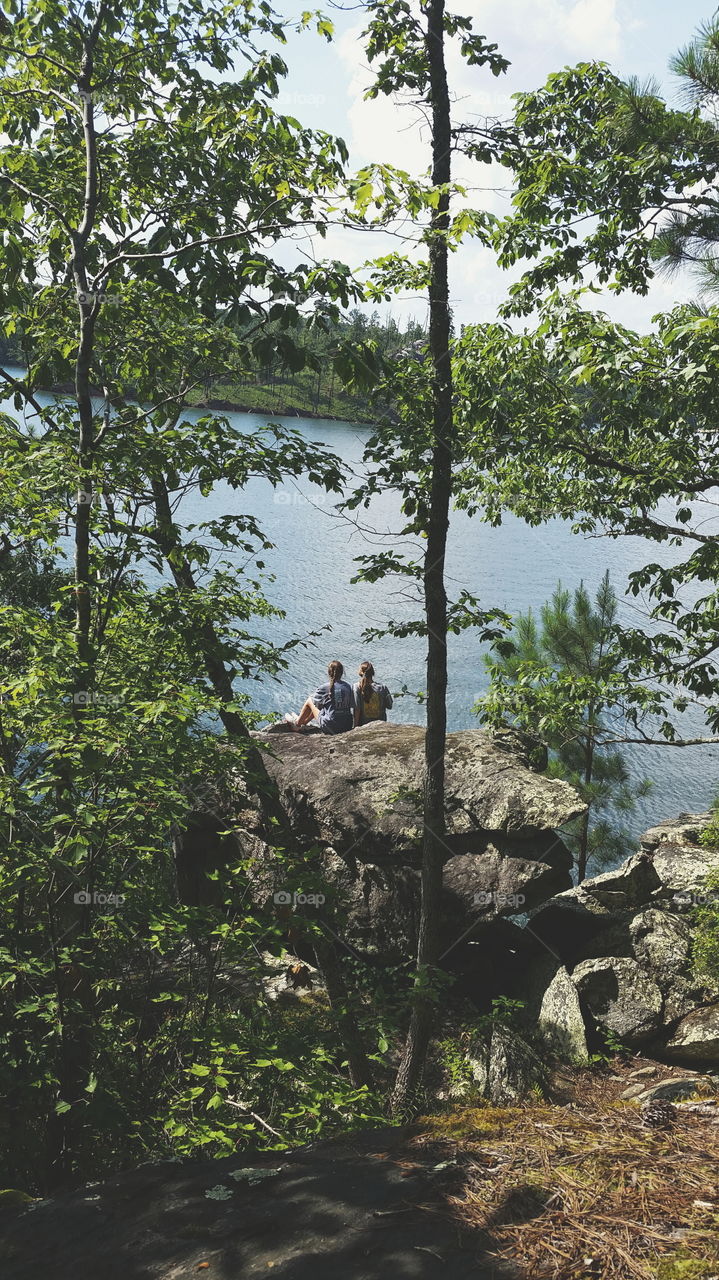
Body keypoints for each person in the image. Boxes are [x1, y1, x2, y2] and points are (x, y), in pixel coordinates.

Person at [286, 659, 355, 735]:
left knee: (310, 700)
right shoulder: (348, 686)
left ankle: (297, 724)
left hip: (331, 726)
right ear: (342, 673)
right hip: (346, 726)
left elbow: (315, 704)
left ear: (329, 672)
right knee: (320, 703)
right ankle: (303, 723)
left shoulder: (325, 687)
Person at [352, 660, 393, 727]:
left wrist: (355, 727)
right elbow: (390, 706)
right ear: (373, 673)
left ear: (360, 673)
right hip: (380, 726)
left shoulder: (356, 687)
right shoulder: (383, 687)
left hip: (363, 726)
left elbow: (357, 709)